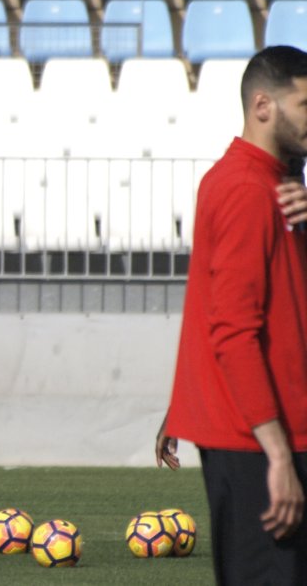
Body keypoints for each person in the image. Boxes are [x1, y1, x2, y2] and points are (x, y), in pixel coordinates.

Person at [156, 45, 307, 584]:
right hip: (261, 441)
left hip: (262, 431)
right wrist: (279, 459)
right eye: (305, 103)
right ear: (264, 106)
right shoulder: (247, 190)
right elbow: (234, 330)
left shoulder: (273, 186)